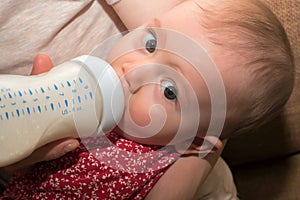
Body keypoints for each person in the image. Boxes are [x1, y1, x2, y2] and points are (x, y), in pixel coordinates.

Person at [1, 0, 295, 199]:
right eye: (150, 43)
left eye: (170, 91)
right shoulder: (82, 103)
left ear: (195, 142)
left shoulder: (165, 164)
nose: (133, 71)